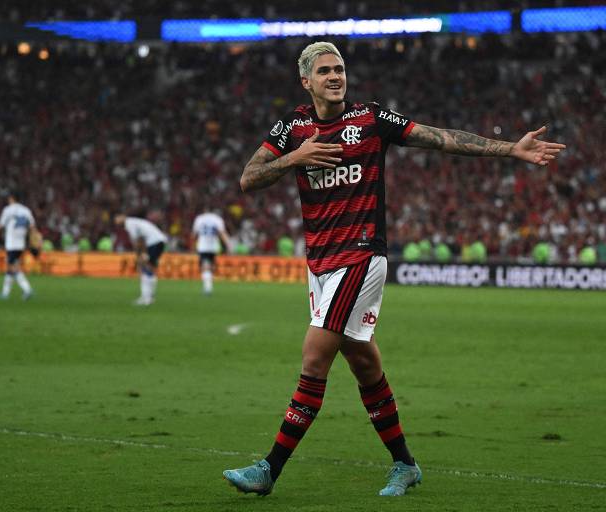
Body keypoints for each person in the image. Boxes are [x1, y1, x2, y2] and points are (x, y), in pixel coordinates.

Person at [222, 41, 565, 498]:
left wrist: (509, 149)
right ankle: (405, 464)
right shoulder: (293, 127)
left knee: (313, 357)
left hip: (361, 255)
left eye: (339, 69)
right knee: (363, 361)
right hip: (320, 264)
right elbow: (248, 178)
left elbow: (441, 138)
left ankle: (270, 469)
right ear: (306, 81)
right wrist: (294, 159)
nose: (335, 76)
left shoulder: (370, 119)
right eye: (324, 71)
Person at [0, 193, 38, 300]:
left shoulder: (8, 210)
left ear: (12, 198)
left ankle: (26, 289)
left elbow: (0, 225)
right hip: (21, 244)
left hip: (11, 244)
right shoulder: (26, 210)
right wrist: (35, 240)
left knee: (12, 268)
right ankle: (6, 293)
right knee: (12, 267)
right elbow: (32, 227)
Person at [114, 213, 168, 306]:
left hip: (153, 242)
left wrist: (140, 256)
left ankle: (146, 298)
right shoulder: (134, 222)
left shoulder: (129, 224)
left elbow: (138, 240)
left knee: (145, 268)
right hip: (158, 241)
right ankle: (149, 297)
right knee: (150, 268)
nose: (117, 221)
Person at [192, 210, 230, 295]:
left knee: (204, 266)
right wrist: (228, 245)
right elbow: (222, 233)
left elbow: (194, 234)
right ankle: (209, 285)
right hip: (214, 246)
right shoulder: (218, 219)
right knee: (210, 266)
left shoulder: (199, 219)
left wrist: (192, 245)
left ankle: (207, 288)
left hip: (203, 246)